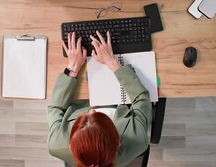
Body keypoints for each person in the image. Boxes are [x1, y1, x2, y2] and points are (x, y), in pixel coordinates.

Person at [47, 30, 152, 167]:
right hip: (119, 99)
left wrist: (72, 68)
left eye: (86, 116)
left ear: (72, 146)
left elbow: (55, 107)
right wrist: (112, 62)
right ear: (118, 141)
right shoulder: (137, 140)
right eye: (96, 116)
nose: (91, 111)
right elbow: (142, 99)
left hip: (84, 93)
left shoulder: (56, 144)